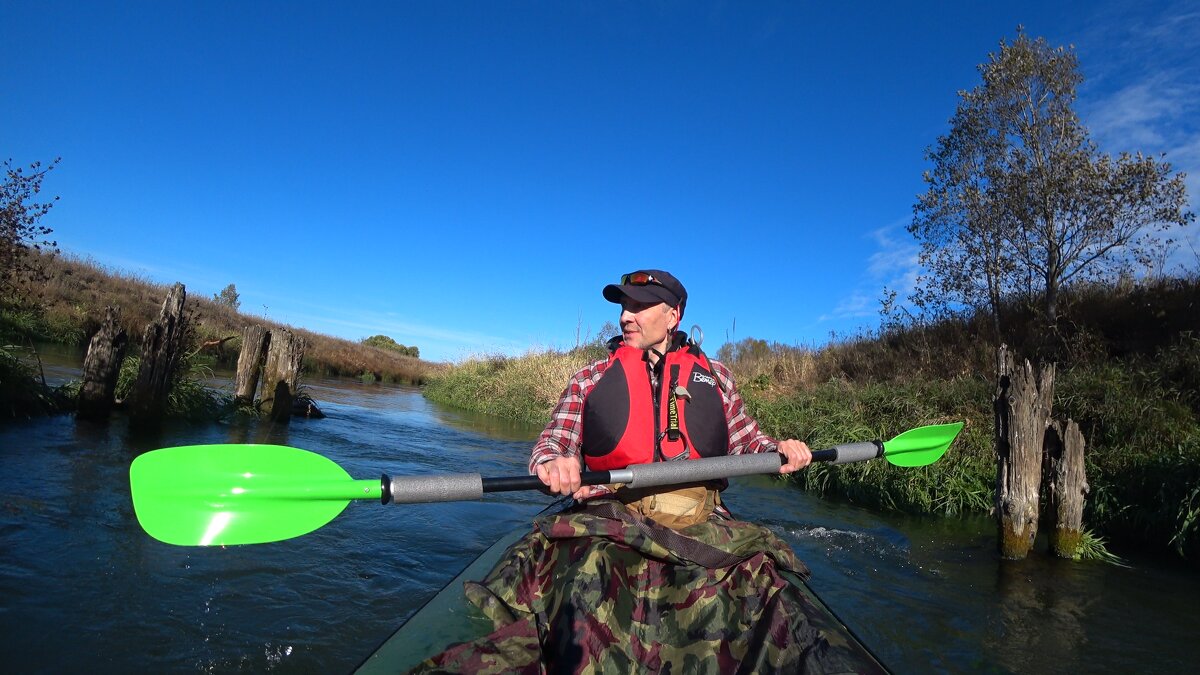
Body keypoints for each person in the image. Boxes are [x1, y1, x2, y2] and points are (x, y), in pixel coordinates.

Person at [531, 268, 812, 525]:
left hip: (700, 518)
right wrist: (552, 464)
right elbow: (554, 442)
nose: (625, 317)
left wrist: (778, 449)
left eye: (639, 306)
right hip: (610, 514)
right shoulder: (590, 378)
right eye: (624, 306)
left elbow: (748, 441)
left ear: (673, 316)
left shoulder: (717, 376)